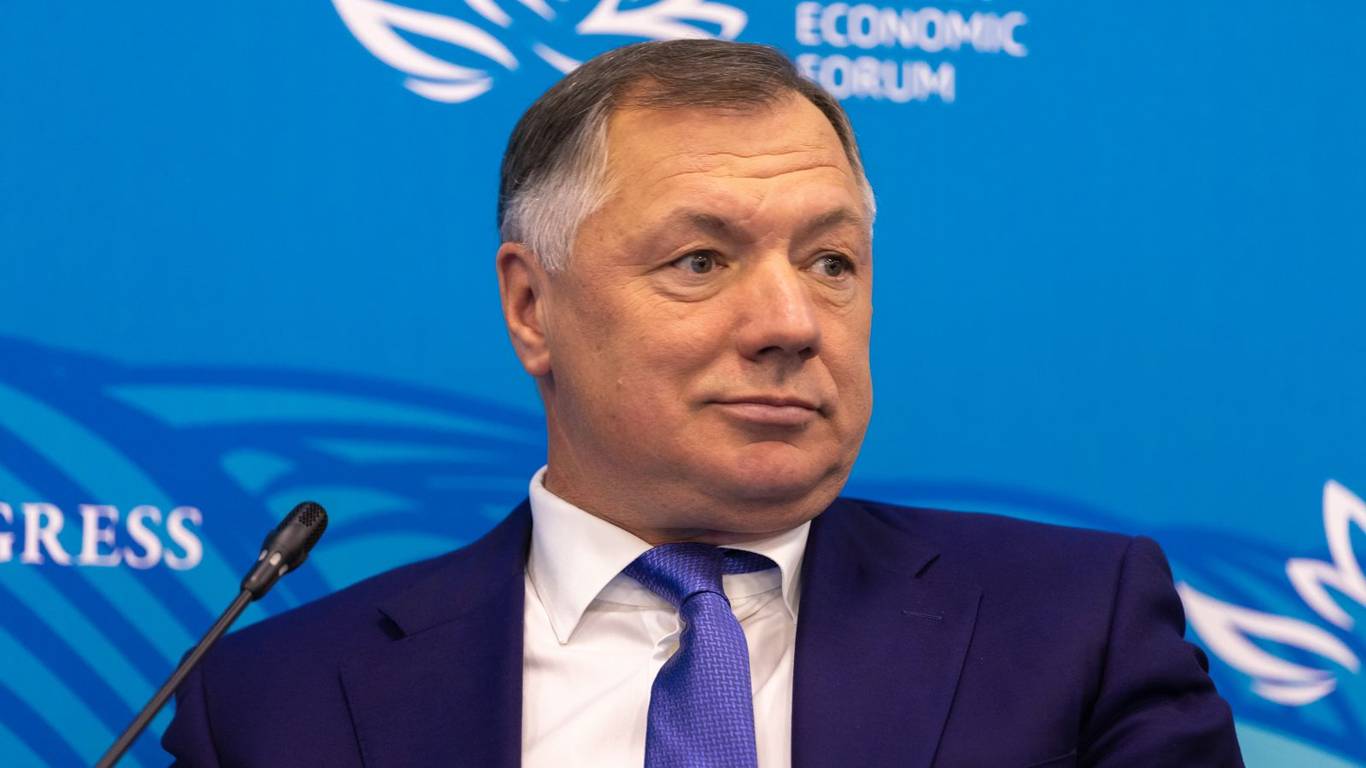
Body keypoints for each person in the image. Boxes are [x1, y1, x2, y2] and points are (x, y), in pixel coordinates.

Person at [163, 40, 1243, 767]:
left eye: (830, 262)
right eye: (699, 261)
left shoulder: (1072, 627)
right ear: (533, 308)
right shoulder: (277, 705)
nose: (792, 322)